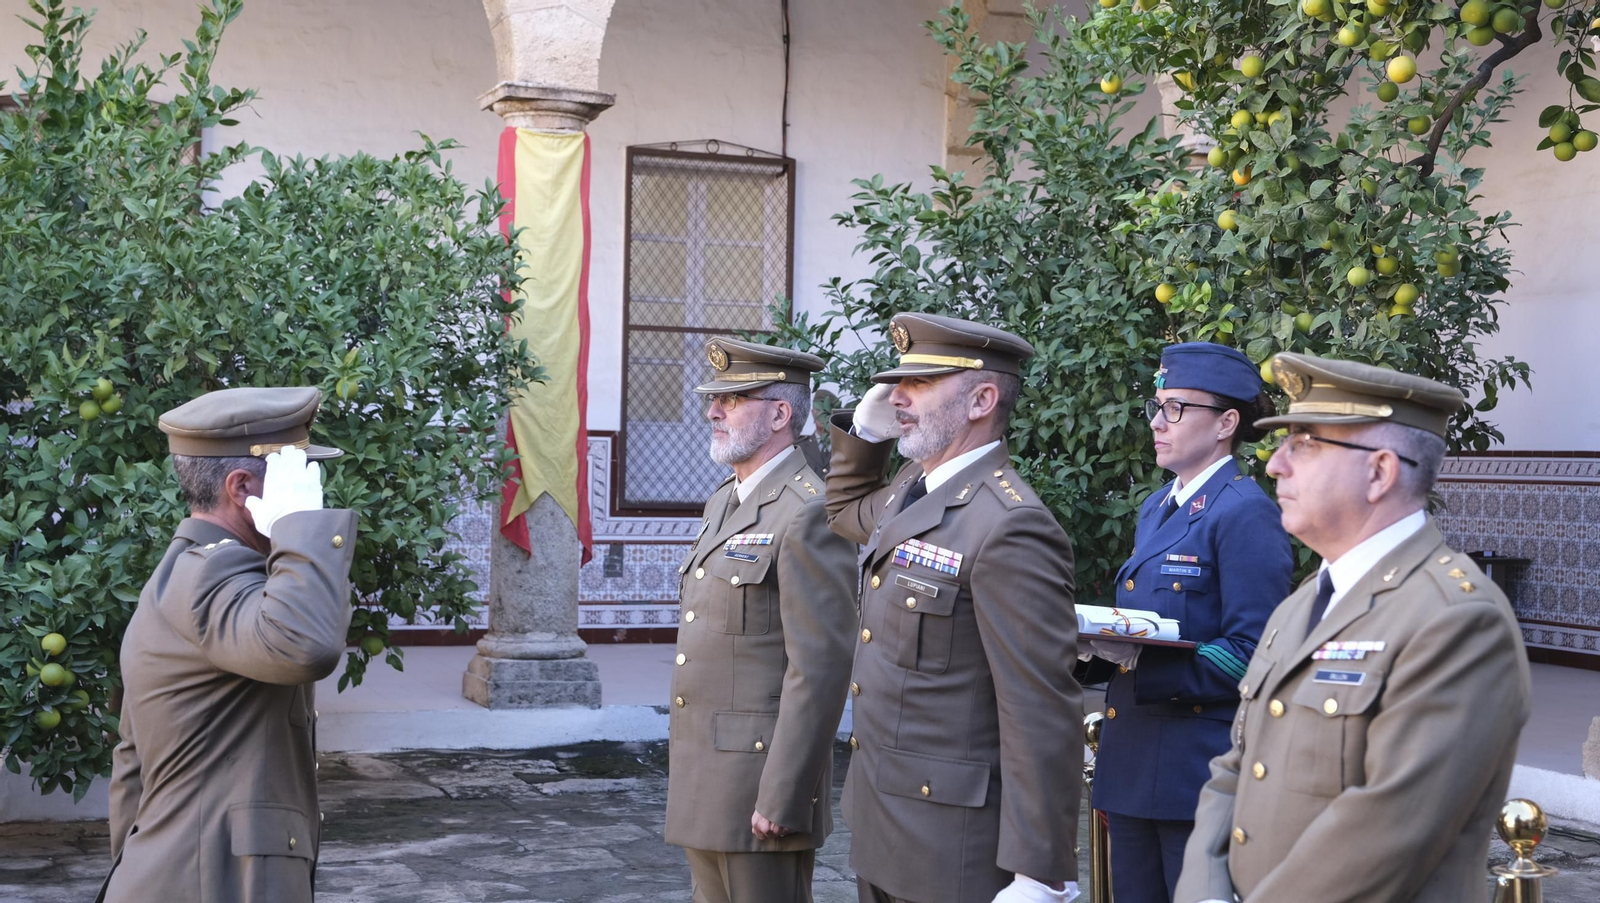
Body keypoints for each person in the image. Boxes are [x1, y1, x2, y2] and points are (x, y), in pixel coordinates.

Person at [1175, 352, 1533, 903]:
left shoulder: (1458, 621)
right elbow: (1235, 769)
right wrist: (1205, 893)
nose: (1275, 465)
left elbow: (1389, 831)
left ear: (1380, 472)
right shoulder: (1304, 602)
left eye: (1304, 444)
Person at [826, 312, 1082, 903]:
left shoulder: (1010, 524)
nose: (898, 397)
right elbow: (842, 512)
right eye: (898, 383)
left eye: (919, 384)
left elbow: (1038, 708)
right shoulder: (910, 489)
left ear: (981, 400)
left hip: (950, 848)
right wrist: (865, 436)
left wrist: (1038, 873)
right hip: (882, 822)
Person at [98, 387, 358, 903]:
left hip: (181, 877)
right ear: (241, 487)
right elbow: (306, 644)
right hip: (207, 884)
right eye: (294, 478)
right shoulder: (214, 575)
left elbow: (132, 764)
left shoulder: (186, 573)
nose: (312, 492)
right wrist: (298, 527)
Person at [1080, 342, 1293, 903]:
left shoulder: (1246, 512)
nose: (1157, 422)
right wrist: (1094, 646)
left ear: (1226, 423)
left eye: (1175, 408)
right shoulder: (1157, 507)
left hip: (1195, 776)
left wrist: (1144, 659)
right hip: (1133, 766)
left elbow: (1255, 654)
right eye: (1157, 406)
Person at [665, 338, 858, 903]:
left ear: (779, 415)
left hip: (757, 783)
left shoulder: (809, 510)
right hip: (706, 773)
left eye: (732, 399)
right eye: (714, 399)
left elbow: (820, 668)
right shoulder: (725, 499)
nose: (713, 411)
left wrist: (784, 793)